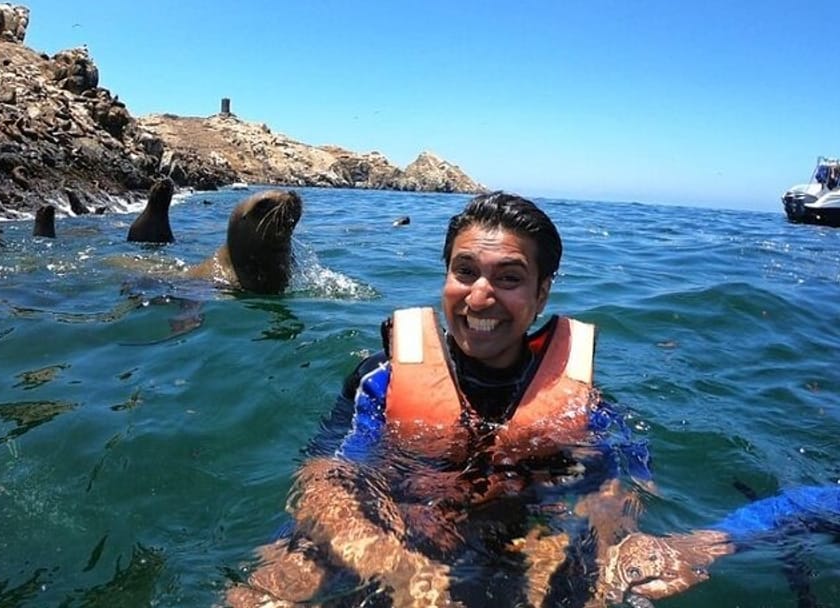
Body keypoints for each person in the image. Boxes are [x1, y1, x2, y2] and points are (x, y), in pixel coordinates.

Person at [224, 193, 706, 607]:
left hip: (515, 543)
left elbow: (619, 490)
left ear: (542, 295)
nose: (479, 297)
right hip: (385, 534)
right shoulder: (380, 380)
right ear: (445, 278)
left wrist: (614, 547)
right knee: (262, 592)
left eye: (508, 278)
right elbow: (327, 479)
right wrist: (397, 566)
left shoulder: (587, 407)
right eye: (465, 271)